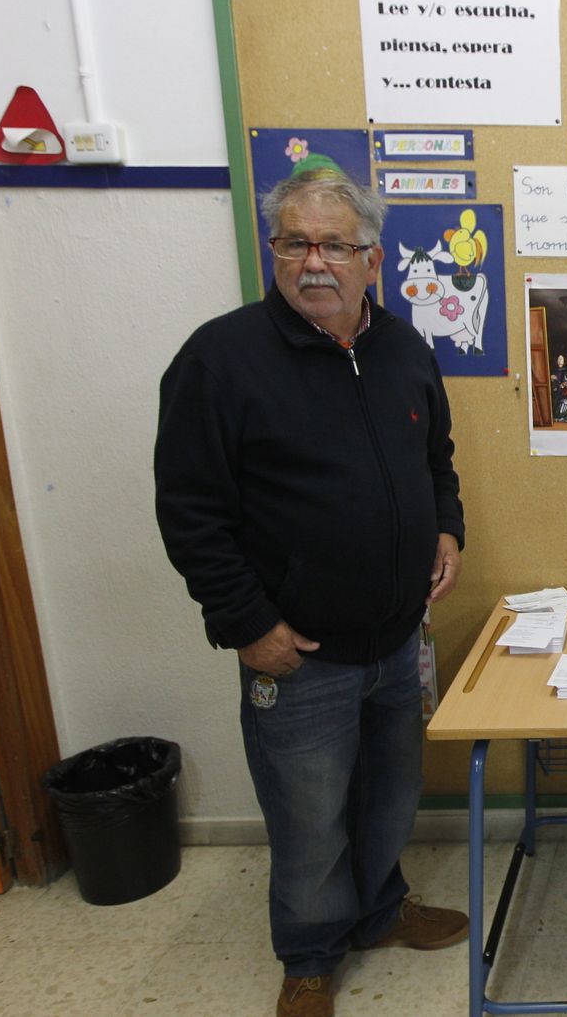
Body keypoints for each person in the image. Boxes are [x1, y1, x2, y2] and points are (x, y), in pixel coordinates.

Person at [154, 163, 468, 1017]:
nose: (314, 262)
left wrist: (447, 528)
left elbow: (435, 461)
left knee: (389, 794)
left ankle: (378, 909)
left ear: (373, 255)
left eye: (335, 244)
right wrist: (248, 623)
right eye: (295, 242)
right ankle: (308, 957)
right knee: (307, 821)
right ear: (275, 250)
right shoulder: (220, 360)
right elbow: (190, 511)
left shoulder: (403, 347)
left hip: (398, 639)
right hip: (298, 653)